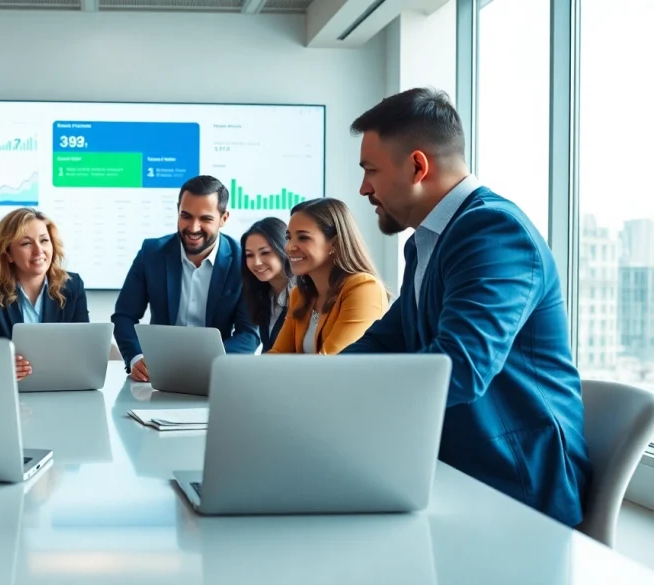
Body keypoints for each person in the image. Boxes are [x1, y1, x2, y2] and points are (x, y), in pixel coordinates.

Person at [342, 87, 591, 527]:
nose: (363, 188)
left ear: (418, 166)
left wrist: (335, 402)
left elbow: (460, 365)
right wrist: (304, 388)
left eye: (371, 171)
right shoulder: (428, 243)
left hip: (514, 485)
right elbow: (387, 340)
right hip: (451, 465)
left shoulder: (493, 231)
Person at [112, 175, 259, 382]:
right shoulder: (151, 253)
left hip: (216, 375)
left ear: (223, 218)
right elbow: (124, 316)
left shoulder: (243, 261)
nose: (193, 227)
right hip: (158, 374)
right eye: (186, 216)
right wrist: (136, 357)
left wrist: (209, 364)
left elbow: (248, 334)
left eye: (205, 219)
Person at [0, 208, 88, 380]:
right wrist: (3, 365)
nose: (38, 250)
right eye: (26, 243)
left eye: (44, 241)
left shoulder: (72, 285)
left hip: (61, 385)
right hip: (8, 388)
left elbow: (83, 346)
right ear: (8, 254)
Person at [267, 198, 388, 355]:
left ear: (335, 243)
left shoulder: (364, 288)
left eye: (303, 237)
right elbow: (278, 355)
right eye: (288, 237)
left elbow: (332, 363)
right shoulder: (300, 295)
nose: (289, 247)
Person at [240, 217, 293, 353]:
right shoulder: (261, 294)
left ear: (284, 249)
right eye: (249, 255)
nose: (256, 262)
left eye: (265, 253)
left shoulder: (303, 294)